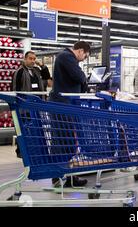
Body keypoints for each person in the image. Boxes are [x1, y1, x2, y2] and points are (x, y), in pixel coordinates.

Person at [49, 41, 91, 187]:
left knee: (68, 141)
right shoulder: (66, 57)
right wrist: (84, 80)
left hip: (65, 105)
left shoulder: (65, 57)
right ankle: (58, 176)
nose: (83, 59)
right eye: (85, 56)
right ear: (80, 51)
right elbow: (79, 77)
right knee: (62, 141)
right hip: (62, 106)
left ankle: (68, 175)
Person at [11, 51, 51, 158]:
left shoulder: (37, 70)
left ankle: (34, 149)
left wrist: (41, 65)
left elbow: (47, 76)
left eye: (34, 59)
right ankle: (21, 151)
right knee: (23, 129)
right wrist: (18, 103)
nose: (32, 61)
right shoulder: (19, 72)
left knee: (35, 128)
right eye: (30, 58)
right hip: (24, 106)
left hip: (36, 106)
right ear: (25, 59)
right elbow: (15, 89)